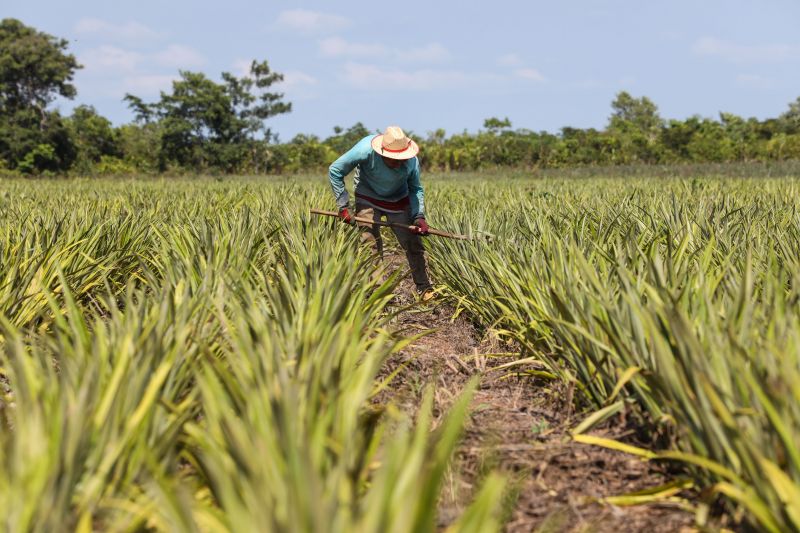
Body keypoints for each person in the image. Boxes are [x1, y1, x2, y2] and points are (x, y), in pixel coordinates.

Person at [328, 126, 434, 299]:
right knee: (369, 242)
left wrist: (418, 216)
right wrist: (343, 206)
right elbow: (335, 170)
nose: (398, 162)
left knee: (413, 243)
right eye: (393, 159)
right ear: (382, 152)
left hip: (399, 199)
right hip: (368, 196)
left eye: (401, 158)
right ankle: (379, 293)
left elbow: (415, 189)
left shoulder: (412, 161)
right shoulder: (364, 150)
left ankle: (424, 287)